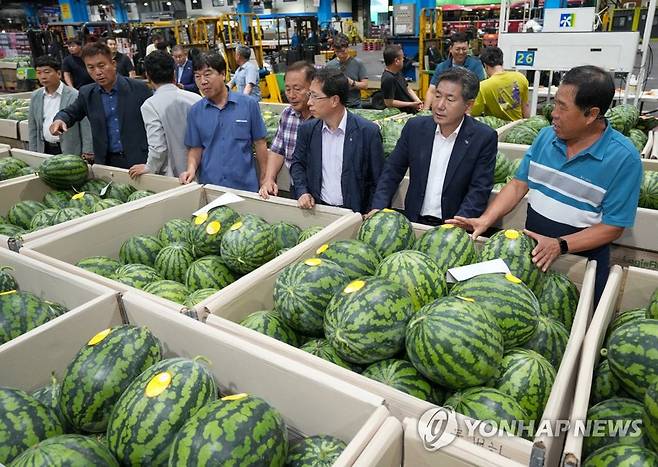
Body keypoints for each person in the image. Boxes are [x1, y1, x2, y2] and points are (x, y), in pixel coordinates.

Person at [447, 65, 643, 302]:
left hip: (580, 264)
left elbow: (613, 226)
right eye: (555, 103)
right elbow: (519, 184)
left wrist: (560, 245)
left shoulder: (624, 158)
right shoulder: (546, 137)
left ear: (591, 114)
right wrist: (486, 219)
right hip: (532, 257)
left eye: (562, 107)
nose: (554, 114)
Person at [370, 68, 496, 224]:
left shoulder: (483, 137)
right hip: (413, 219)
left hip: (453, 225)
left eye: (450, 99)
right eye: (437, 96)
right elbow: (392, 170)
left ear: (468, 105)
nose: (440, 105)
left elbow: (480, 188)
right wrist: (378, 206)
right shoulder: (415, 128)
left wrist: (457, 224)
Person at [290, 68, 384, 213]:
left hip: (355, 215)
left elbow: (378, 180)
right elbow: (297, 164)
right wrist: (302, 191)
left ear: (334, 100)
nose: (309, 102)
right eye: (310, 95)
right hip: (318, 211)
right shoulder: (307, 130)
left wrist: (372, 211)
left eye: (315, 96)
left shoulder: (367, 132)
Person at [50, 42, 152, 169]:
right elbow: (71, 112)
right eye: (91, 67)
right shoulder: (87, 93)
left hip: (139, 160)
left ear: (113, 64)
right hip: (106, 162)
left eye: (101, 65)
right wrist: (60, 120)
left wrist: (152, 163)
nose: (98, 72)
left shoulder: (138, 89)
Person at [180, 52, 268, 191]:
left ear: (222, 74)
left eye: (207, 74)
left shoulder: (248, 104)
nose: (203, 81)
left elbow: (260, 143)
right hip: (211, 187)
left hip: (245, 187)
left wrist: (265, 178)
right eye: (197, 76)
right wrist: (190, 170)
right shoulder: (195, 111)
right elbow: (196, 148)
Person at [128, 51, 201, 179]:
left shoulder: (150, 105)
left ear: (148, 77)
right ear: (174, 73)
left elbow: (158, 147)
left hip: (174, 176)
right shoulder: (195, 98)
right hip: (201, 169)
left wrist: (149, 167)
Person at [258, 61, 315, 199]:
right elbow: (277, 150)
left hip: (321, 190)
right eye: (288, 89)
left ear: (313, 87)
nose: (291, 95)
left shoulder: (324, 118)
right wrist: (269, 179)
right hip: (296, 187)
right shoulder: (287, 114)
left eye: (297, 89)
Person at [28, 55, 93, 157]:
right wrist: (32, 153)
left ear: (58, 74)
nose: (43, 76)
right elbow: (33, 127)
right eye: (39, 73)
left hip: (69, 150)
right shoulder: (36, 96)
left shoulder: (74, 95)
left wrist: (88, 151)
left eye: (47, 72)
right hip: (45, 148)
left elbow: (85, 127)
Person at [425, 32, 485, 108]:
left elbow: (480, 91)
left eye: (464, 49)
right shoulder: (442, 67)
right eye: (457, 49)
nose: (461, 52)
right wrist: (425, 112)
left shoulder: (476, 65)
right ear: (450, 49)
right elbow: (432, 91)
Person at [471, 47, 529, 121]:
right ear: (502, 61)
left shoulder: (483, 87)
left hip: (498, 130)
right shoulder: (520, 77)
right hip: (518, 127)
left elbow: (474, 113)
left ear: (485, 66)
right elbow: (525, 106)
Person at [325, 33, 367, 108]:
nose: (341, 55)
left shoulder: (358, 63)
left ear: (348, 48)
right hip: (337, 106)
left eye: (343, 51)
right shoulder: (329, 66)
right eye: (337, 52)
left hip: (354, 105)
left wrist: (351, 82)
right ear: (333, 49)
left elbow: (365, 85)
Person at [381, 44, 423, 114]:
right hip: (400, 115)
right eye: (402, 58)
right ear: (397, 61)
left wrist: (418, 101)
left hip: (409, 110)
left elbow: (407, 88)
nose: (403, 59)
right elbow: (388, 102)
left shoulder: (398, 71)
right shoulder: (388, 79)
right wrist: (411, 104)